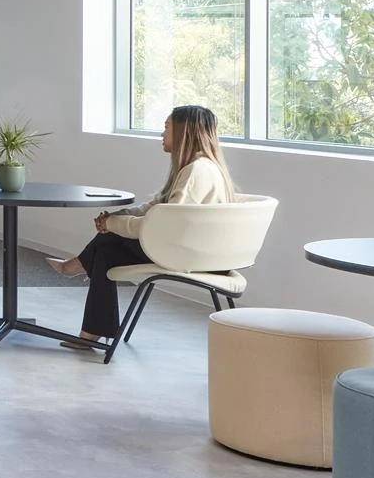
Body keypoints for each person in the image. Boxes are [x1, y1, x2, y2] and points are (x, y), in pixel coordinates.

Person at [52, 103, 237, 344]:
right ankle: (90, 333)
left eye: (166, 127)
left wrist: (114, 224)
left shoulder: (196, 171)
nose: (162, 134)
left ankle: (75, 268)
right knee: (105, 252)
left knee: (108, 240)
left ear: (183, 132)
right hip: (190, 248)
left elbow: (163, 226)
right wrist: (121, 215)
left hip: (187, 255)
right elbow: (156, 208)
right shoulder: (200, 167)